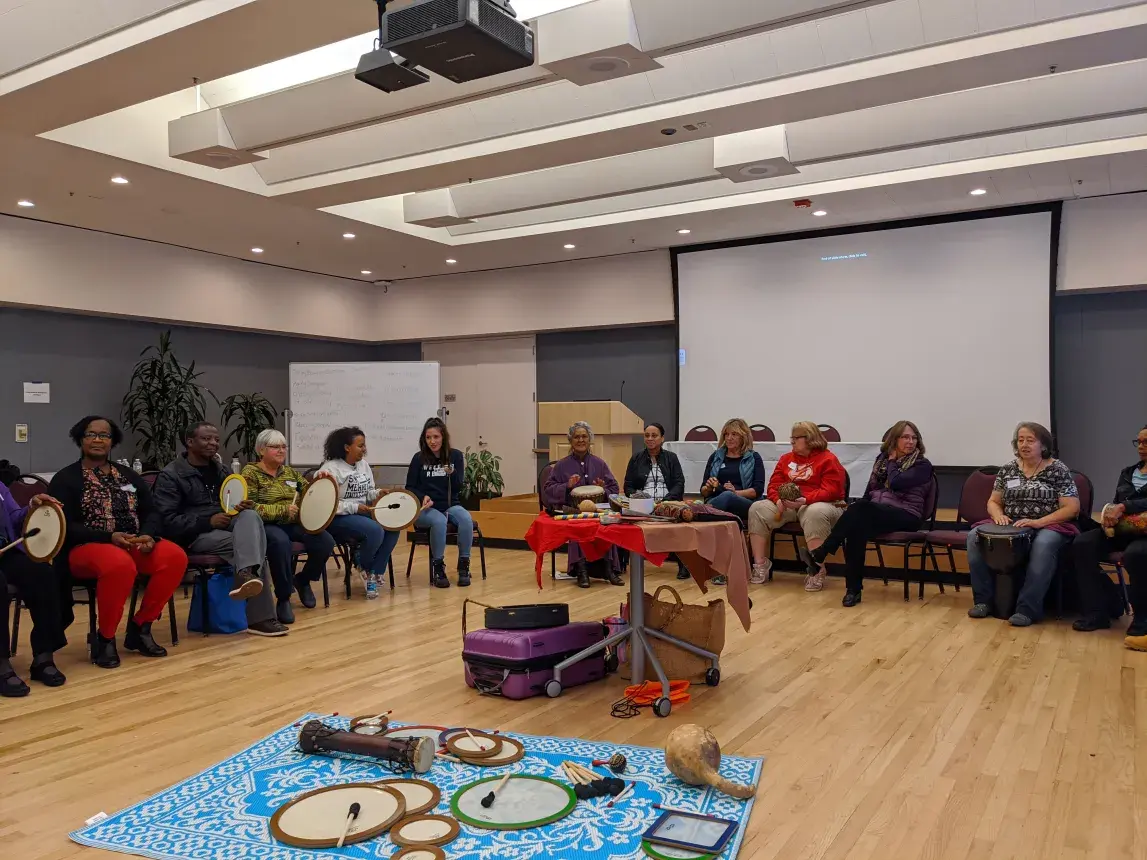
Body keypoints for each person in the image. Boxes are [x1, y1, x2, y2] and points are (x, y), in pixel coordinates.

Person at [49, 416, 188, 668]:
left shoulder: (128, 476)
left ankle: (140, 628)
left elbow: (152, 511)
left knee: (174, 557)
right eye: (91, 434)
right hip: (84, 547)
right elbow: (64, 525)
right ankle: (105, 638)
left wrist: (148, 534)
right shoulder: (65, 479)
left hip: (131, 542)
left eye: (104, 435)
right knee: (119, 564)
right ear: (80, 439)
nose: (98, 440)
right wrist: (108, 537)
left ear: (112, 441)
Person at [152, 422, 287, 637]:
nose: (213, 443)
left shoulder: (222, 470)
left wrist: (237, 507)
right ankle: (260, 618)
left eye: (216, 439)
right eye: (206, 439)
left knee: (250, 515)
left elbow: (228, 504)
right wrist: (208, 522)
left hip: (225, 525)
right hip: (194, 535)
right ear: (190, 442)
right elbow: (167, 521)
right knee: (253, 546)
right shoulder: (171, 475)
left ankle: (246, 575)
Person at [798, 421, 933, 606]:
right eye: (905, 437)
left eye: (914, 438)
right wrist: (856, 509)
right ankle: (853, 591)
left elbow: (896, 482)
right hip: (879, 512)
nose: (910, 442)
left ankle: (823, 552)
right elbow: (870, 491)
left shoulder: (922, 465)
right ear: (894, 440)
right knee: (856, 528)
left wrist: (892, 461)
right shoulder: (881, 461)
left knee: (860, 511)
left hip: (907, 514)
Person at [966, 422, 1080, 627]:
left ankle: (1027, 609)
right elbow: (993, 502)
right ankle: (983, 601)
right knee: (974, 536)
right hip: (1012, 523)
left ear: (1043, 445)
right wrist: (998, 515)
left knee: (1043, 544)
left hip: (1048, 524)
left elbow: (1072, 508)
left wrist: (1038, 522)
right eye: (1020, 440)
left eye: (1030, 440)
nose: (1024, 445)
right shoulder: (1008, 469)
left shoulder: (1057, 469)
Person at [241, 429, 335, 623]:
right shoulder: (250, 473)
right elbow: (249, 507)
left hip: (294, 523)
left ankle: (303, 580)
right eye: (275, 447)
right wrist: (282, 510)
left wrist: (320, 480)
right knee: (280, 542)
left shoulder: (290, 473)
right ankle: (283, 597)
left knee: (325, 541)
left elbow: (308, 492)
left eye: (284, 447)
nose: (281, 450)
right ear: (261, 450)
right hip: (267, 524)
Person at [1069, 424, 1147, 647]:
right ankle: (1097, 612)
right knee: (1083, 543)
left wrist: (1125, 506)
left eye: (1146, 442)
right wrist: (1110, 513)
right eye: (1139, 442)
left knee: (1136, 555)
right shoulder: (1127, 472)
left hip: (1144, 534)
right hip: (1122, 530)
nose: (1141, 447)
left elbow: (1125, 504)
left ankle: (1142, 620)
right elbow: (1116, 502)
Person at [747, 421, 846, 591]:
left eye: (796, 438)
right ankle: (760, 564)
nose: (792, 441)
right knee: (757, 508)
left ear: (810, 439)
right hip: (790, 505)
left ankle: (817, 569)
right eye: (791, 437)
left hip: (824, 504)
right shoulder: (786, 459)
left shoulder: (828, 459)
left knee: (815, 512)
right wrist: (778, 500)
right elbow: (774, 485)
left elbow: (831, 491)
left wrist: (805, 499)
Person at [0, 481, 66, 696]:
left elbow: (14, 518)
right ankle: (1, 663)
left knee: (42, 573)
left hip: (6, 552)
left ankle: (43, 656)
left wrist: (32, 506)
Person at [542, 421, 623, 589]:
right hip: (572, 510)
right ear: (570, 441)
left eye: (584, 436)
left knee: (606, 524)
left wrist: (603, 489)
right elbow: (548, 490)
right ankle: (581, 570)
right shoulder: (562, 465)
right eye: (576, 437)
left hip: (598, 510)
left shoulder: (599, 463)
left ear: (589, 439)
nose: (581, 440)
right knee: (578, 525)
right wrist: (567, 486)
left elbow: (614, 488)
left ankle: (609, 569)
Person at [320, 426, 397, 599]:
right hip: (339, 517)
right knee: (375, 530)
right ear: (347, 447)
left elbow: (367, 493)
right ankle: (364, 566)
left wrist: (378, 493)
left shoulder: (363, 465)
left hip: (361, 513)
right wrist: (354, 508)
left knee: (393, 524)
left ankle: (374, 571)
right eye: (360, 445)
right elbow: (327, 504)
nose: (364, 449)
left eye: (364, 445)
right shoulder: (330, 469)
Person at [405, 418, 473, 589]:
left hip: (450, 504)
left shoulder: (455, 456)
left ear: (443, 437)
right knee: (439, 521)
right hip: (426, 508)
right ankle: (438, 567)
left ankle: (463, 565)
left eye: (436, 437)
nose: (432, 441)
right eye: (428, 438)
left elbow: (458, 486)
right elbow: (410, 487)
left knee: (466, 519)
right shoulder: (418, 458)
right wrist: (422, 496)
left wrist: (453, 473)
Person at [624, 422, 687, 578]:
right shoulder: (636, 458)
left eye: (654, 435)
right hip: (643, 504)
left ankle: (684, 565)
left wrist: (666, 501)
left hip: (667, 503)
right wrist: (640, 499)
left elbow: (679, 483)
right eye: (647, 435)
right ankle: (621, 564)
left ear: (662, 438)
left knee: (681, 524)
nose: (650, 439)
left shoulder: (671, 458)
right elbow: (628, 486)